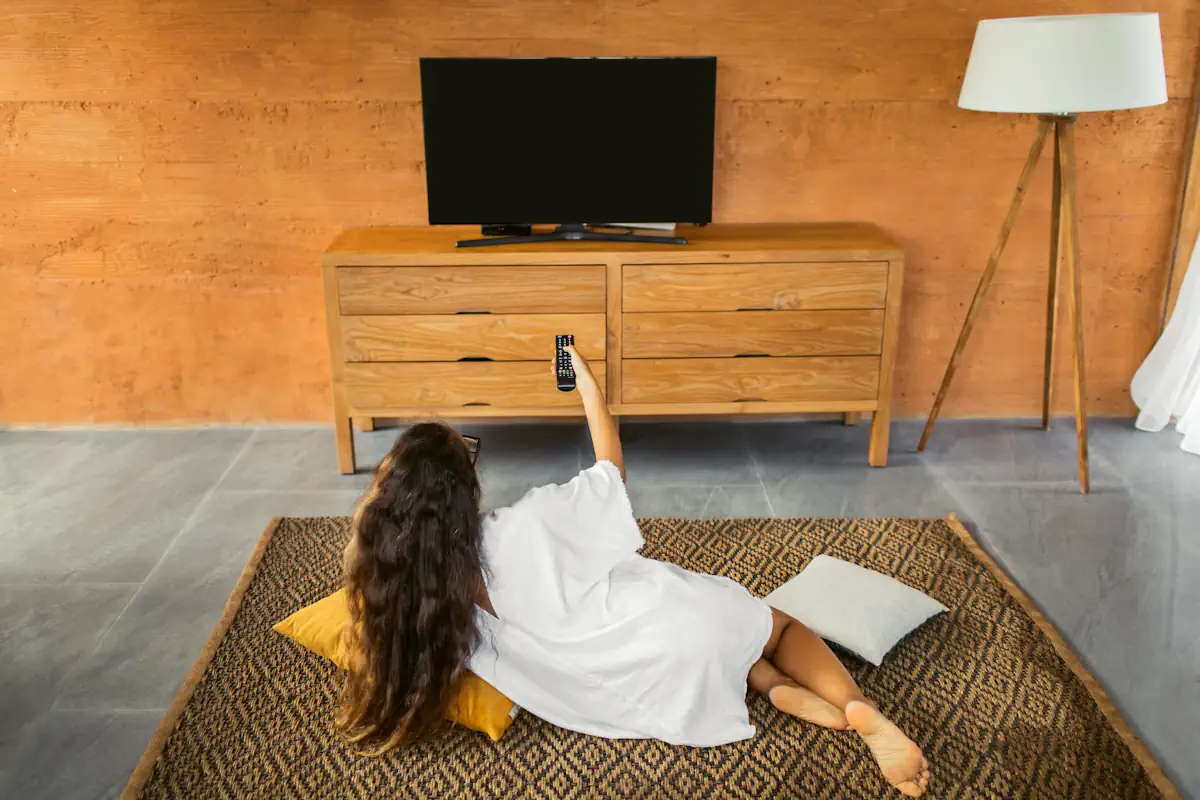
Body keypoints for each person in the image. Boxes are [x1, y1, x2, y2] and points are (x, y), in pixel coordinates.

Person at [337, 346, 931, 797]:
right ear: (463, 490)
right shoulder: (527, 524)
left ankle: (771, 686)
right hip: (675, 624)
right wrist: (590, 386)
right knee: (777, 626)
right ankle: (861, 712)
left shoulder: (414, 597)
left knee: (721, 647)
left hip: (634, 689)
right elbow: (609, 469)